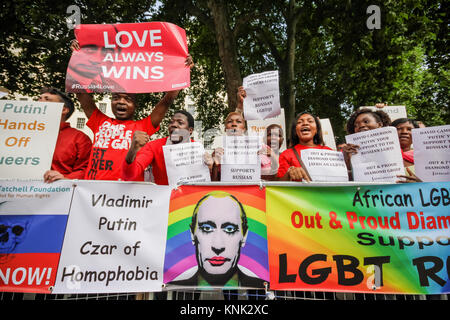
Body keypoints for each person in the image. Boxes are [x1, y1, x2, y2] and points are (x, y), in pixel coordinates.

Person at [69, 40, 194, 180]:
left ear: (136, 106)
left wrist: (182, 69)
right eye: (116, 97)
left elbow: (167, 101)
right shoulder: (99, 121)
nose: (121, 101)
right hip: (91, 190)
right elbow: (80, 92)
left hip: (128, 195)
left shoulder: (143, 126)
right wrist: (77, 57)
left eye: (128, 100)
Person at [169, 191, 266, 289]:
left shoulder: (263, 289)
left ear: (244, 236)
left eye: (230, 229)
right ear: (192, 234)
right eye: (207, 228)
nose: (218, 246)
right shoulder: (170, 290)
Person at [122, 110, 211, 184]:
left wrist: (210, 167)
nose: (174, 125)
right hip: (162, 201)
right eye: (171, 122)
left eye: (180, 123)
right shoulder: (153, 146)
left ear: (190, 130)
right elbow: (129, 175)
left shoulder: (198, 149)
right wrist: (133, 150)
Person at [39, 87, 92, 183]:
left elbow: (85, 169)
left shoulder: (80, 139)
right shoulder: (20, 133)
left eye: (47, 99)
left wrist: (65, 178)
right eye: (39, 98)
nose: (39, 101)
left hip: (59, 193)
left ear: (64, 110)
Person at [277, 112, 332, 181]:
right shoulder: (286, 154)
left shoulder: (329, 151)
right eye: (299, 122)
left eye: (310, 121)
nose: (305, 123)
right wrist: (289, 173)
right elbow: (279, 183)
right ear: (295, 131)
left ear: (316, 130)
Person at [391, 118, 422, 183]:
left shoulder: (424, 157)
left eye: (409, 129)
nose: (404, 132)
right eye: (399, 129)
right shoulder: (382, 156)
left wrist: (419, 183)